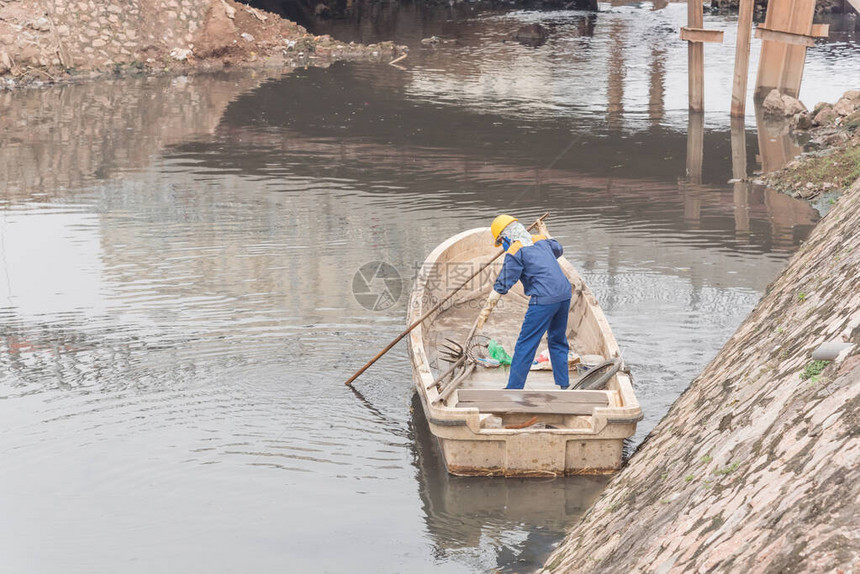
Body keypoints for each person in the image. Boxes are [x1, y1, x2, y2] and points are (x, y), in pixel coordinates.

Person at [476, 215, 572, 390]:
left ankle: (513, 388)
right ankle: (564, 385)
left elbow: (504, 283)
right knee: (557, 340)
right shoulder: (541, 241)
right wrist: (545, 231)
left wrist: (486, 310)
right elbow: (558, 248)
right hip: (564, 294)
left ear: (505, 237)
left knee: (526, 343)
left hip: (544, 299)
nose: (503, 246)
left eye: (501, 241)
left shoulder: (515, 250)